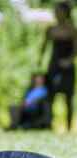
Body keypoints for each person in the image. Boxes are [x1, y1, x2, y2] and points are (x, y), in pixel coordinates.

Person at [39, 1, 77, 131]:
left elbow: (75, 49)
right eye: (55, 11)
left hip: (67, 67)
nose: (57, 13)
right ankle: (49, 124)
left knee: (68, 97)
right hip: (53, 65)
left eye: (59, 11)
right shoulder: (50, 29)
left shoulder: (72, 29)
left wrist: (69, 60)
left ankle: (68, 127)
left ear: (66, 13)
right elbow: (43, 47)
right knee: (50, 96)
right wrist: (39, 62)